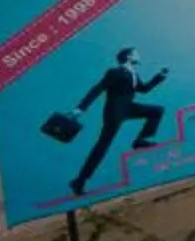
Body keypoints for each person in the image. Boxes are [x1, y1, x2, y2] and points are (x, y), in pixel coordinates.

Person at [69, 48, 169, 194]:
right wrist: (81, 108)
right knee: (102, 146)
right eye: (136, 53)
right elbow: (98, 89)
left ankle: (140, 140)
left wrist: (159, 76)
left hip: (128, 108)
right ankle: (79, 181)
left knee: (157, 111)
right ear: (129, 56)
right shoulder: (114, 72)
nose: (139, 55)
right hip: (114, 112)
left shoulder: (134, 73)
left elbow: (144, 89)